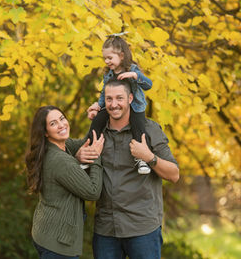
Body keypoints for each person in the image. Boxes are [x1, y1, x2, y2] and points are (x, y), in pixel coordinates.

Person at [77, 79, 179, 259]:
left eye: (119, 98)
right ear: (103, 101)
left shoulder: (149, 129)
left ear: (131, 98)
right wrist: (79, 157)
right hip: (106, 229)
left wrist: (149, 157)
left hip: (142, 229)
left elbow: (174, 174)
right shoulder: (97, 131)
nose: (114, 104)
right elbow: (82, 173)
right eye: (109, 99)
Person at [25, 105, 104, 258]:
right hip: (57, 243)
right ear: (46, 132)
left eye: (62, 118)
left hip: (45, 231)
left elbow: (87, 141)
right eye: (53, 123)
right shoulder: (59, 159)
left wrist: (98, 117)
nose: (61, 125)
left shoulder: (61, 146)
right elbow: (93, 191)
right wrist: (95, 155)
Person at [87, 32, 153, 174]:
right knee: (97, 121)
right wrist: (99, 105)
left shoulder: (132, 70)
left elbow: (149, 85)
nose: (107, 61)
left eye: (110, 58)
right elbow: (105, 92)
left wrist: (135, 76)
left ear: (121, 56)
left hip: (135, 107)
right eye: (105, 58)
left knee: (139, 128)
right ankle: (89, 151)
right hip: (114, 107)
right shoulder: (108, 74)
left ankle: (142, 160)